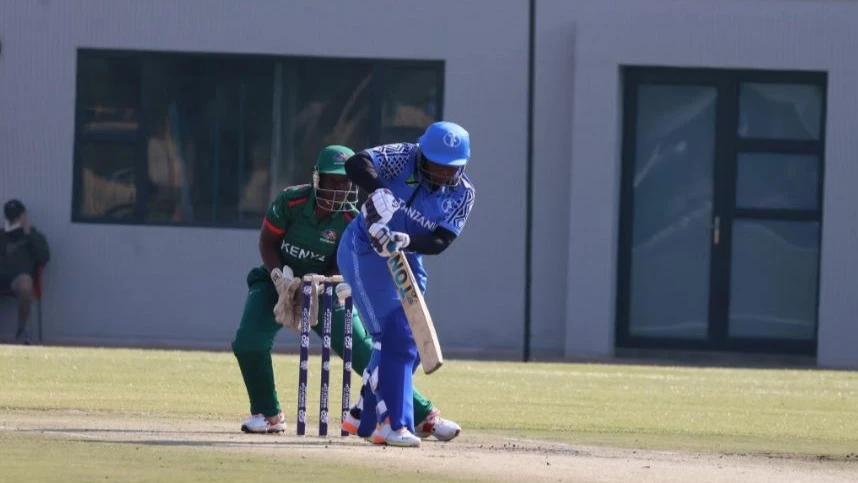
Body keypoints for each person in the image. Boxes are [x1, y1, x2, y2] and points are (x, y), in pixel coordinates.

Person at [231, 145, 462, 441]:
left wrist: (329, 283)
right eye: (333, 181)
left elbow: (346, 258)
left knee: (368, 351)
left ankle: (422, 416)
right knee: (248, 342)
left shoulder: (353, 219)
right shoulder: (291, 201)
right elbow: (267, 243)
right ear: (318, 179)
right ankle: (268, 414)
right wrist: (279, 278)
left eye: (345, 183)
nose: (341, 189)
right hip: (277, 282)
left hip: (323, 288)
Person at [337, 121, 476, 447]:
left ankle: (362, 415)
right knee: (393, 334)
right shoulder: (404, 157)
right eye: (436, 164)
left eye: (450, 167)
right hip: (364, 248)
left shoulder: (463, 193)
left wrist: (407, 238)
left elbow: (441, 241)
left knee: (411, 337)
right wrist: (378, 189)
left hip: (405, 254)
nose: (442, 173)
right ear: (423, 154)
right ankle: (392, 424)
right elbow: (355, 163)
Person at [1, 199, 50, 344]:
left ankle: (21, 330)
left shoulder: (35, 236)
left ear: (24, 216)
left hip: (18, 278)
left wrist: (29, 236)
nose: (14, 219)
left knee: (25, 284)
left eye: (17, 216)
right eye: (11, 217)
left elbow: (43, 258)